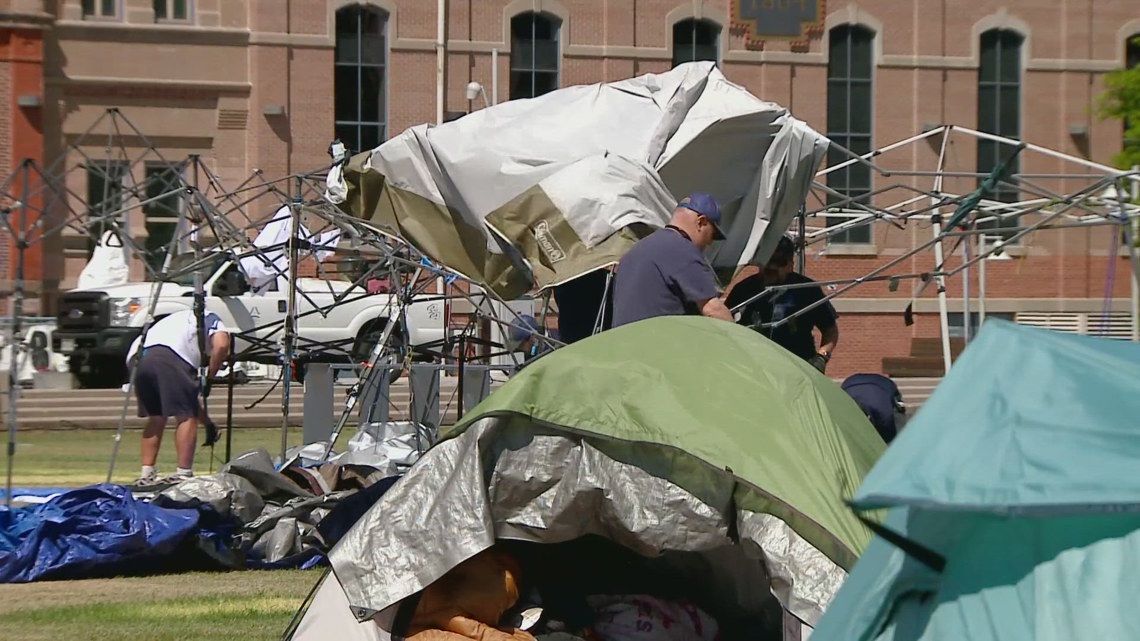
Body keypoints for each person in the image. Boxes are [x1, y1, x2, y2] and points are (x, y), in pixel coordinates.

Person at [124, 308, 232, 488]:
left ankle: (147, 472)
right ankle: (183, 473)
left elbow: (187, 400)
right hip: (170, 355)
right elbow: (222, 345)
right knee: (186, 416)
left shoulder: (176, 321)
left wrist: (207, 424)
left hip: (139, 357)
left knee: (157, 417)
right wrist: (210, 376)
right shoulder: (212, 318)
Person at [611, 193, 734, 327]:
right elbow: (713, 310)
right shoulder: (682, 249)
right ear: (701, 222)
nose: (709, 243)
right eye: (712, 235)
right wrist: (743, 341)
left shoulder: (633, 253)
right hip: (658, 343)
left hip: (623, 342)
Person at [725, 235, 840, 373]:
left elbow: (830, 329)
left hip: (798, 368)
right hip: (753, 368)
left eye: (779, 262)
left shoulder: (807, 289)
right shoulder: (743, 289)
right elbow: (723, 325)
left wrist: (822, 357)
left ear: (790, 265)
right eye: (767, 260)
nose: (772, 266)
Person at [841, 373, 908, 444]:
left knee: (897, 431)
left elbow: (889, 433)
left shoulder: (883, 412)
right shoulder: (843, 408)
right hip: (852, 383)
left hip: (884, 385)